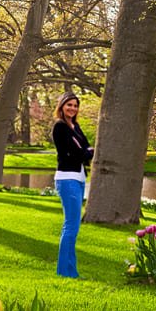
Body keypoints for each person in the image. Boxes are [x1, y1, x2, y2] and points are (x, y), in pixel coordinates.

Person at [51, 92, 93, 278]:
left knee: (73, 227)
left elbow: (86, 147)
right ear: (61, 106)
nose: (72, 108)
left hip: (79, 177)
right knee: (71, 226)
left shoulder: (75, 126)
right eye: (69, 105)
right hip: (67, 179)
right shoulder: (60, 127)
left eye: (75, 105)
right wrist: (85, 151)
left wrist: (85, 151)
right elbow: (77, 153)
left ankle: (70, 271)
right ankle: (65, 272)